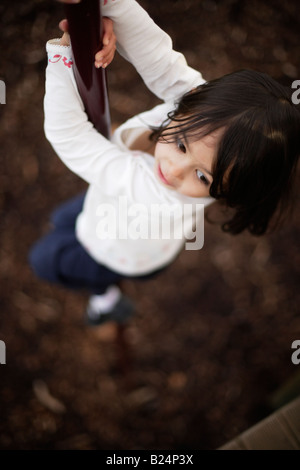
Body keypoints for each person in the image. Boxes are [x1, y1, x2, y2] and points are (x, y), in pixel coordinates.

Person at [29, 0, 300, 327]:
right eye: (181, 143)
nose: (173, 170)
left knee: (44, 259)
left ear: (230, 189)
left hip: (120, 252)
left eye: (201, 176)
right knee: (63, 218)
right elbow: (155, 52)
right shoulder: (204, 113)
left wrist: (62, 56)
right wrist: (107, 5)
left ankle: (105, 298)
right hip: (129, 218)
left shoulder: (156, 192)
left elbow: (69, 135)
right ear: (192, 101)